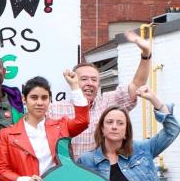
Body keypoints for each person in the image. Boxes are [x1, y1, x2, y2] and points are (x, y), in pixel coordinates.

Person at [49, 29, 153, 159]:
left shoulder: (108, 102)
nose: (89, 83)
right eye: (84, 79)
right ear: (73, 80)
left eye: (94, 80)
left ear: (99, 84)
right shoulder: (56, 109)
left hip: (100, 175)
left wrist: (146, 54)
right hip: (68, 174)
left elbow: (136, 85)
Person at [78, 86, 178, 181]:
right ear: (102, 129)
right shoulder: (87, 160)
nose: (114, 126)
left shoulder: (142, 149)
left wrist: (154, 99)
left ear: (126, 131)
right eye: (109, 122)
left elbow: (172, 131)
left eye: (120, 123)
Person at [0, 72, 89, 181]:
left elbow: (82, 121)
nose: (39, 102)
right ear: (24, 99)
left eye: (44, 98)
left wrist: (74, 86)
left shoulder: (61, 126)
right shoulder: (7, 134)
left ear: (50, 100)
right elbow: (1, 170)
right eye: (34, 97)